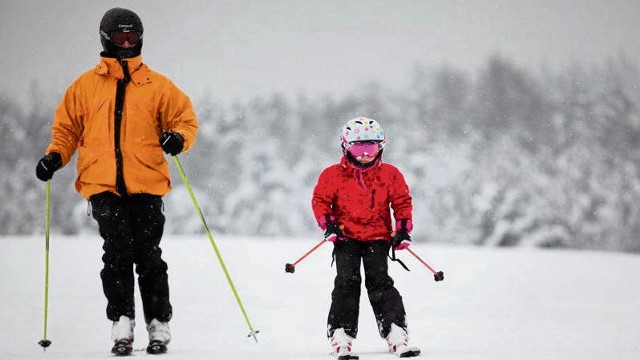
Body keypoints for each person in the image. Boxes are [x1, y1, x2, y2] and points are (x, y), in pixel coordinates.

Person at [35, 7, 198, 356]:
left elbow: (185, 119)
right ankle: (122, 321)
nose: (127, 43)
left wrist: (178, 138)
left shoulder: (158, 86)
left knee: (149, 256)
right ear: (106, 38)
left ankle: (158, 323)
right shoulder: (85, 86)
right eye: (121, 37)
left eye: (133, 37)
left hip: (147, 185)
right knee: (117, 255)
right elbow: (66, 130)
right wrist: (55, 157)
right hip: (103, 186)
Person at [311, 117, 421, 359]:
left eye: (370, 148)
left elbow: (402, 201)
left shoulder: (390, 174)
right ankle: (341, 333)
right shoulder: (333, 175)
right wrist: (328, 225)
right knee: (346, 282)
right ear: (345, 147)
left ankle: (395, 331)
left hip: (378, 237)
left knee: (380, 282)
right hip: (345, 237)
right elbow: (320, 201)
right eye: (358, 148)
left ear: (380, 147)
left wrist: (402, 229)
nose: (364, 155)